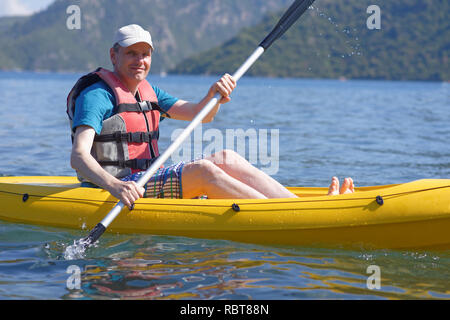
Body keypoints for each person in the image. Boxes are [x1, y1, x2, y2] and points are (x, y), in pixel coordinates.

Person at [67, 24, 355, 209]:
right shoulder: (97, 95)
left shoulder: (147, 91)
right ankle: (292, 218)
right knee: (204, 171)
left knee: (226, 157)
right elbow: (79, 156)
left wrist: (214, 95)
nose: (139, 61)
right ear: (114, 55)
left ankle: (300, 208)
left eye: (145, 54)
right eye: (131, 53)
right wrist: (116, 186)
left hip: (144, 179)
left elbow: (199, 114)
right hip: (113, 188)